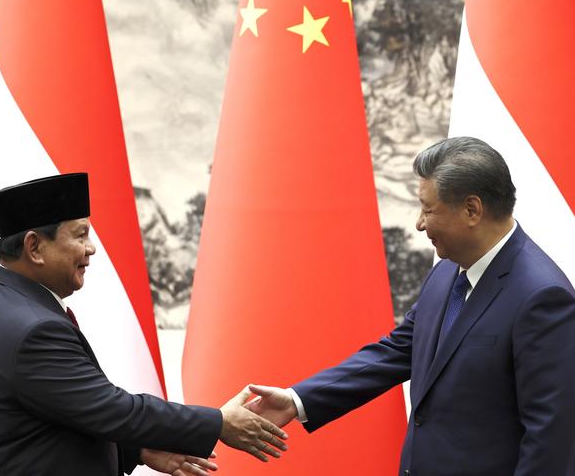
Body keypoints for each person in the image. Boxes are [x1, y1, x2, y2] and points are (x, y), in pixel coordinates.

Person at [246, 137, 575, 475]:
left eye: (428, 209)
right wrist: (297, 400)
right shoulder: (448, 270)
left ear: (472, 209)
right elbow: (397, 351)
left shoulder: (542, 297)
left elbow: (551, 436)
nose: (419, 223)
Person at [0, 173, 287, 476]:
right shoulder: (31, 327)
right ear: (35, 247)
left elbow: (57, 416)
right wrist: (219, 423)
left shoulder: (9, 302)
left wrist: (135, 449)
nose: (91, 248)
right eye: (80, 236)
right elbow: (111, 408)